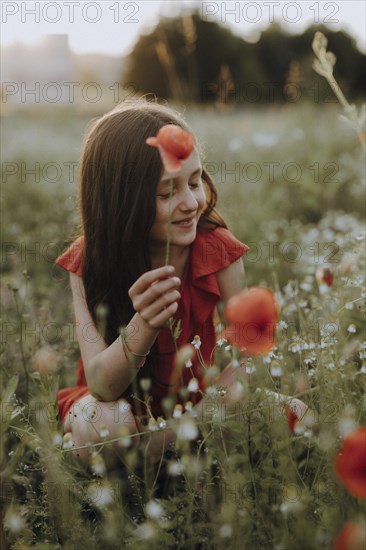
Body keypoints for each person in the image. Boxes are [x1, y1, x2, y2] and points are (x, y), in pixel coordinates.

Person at [55, 100, 310, 465]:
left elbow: (250, 364)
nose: (191, 202)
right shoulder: (87, 261)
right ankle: (123, 469)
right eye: (167, 192)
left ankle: (161, 455)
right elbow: (101, 384)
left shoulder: (217, 251)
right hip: (117, 408)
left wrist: (180, 428)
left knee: (299, 415)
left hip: (195, 409)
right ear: (120, 201)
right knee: (102, 424)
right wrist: (143, 324)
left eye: (195, 181)